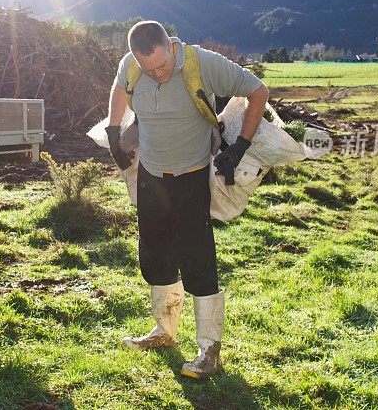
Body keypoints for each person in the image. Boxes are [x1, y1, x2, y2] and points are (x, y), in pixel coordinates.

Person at [105, 20, 269, 379]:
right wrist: (114, 131)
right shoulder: (130, 65)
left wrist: (240, 146)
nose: (158, 74)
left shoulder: (202, 63)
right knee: (154, 253)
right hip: (151, 175)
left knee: (198, 260)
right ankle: (164, 331)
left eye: (162, 66)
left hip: (192, 176)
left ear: (170, 46)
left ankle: (209, 349)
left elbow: (258, 90)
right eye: (149, 69)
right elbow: (120, 89)